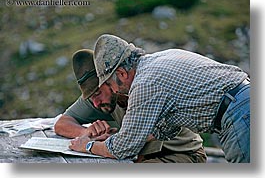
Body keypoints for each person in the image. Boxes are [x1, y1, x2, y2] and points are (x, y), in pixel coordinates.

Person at [69, 34, 250, 163]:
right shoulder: (158, 61)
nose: (114, 91)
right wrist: (122, 137)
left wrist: (88, 146)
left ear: (122, 74)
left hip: (238, 115)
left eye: (109, 85)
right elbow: (165, 128)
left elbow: (121, 150)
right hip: (244, 102)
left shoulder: (144, 84)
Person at [55, 49, 207, 163]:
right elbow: (61, 124)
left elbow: (128, 144)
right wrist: (86, 132)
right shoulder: (101, 98)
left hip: (183, 155)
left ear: (109, 81)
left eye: (97, 93)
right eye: (91, 96)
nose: (95, 103)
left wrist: (90, 145)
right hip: (142, 157)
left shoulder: (142, 91)